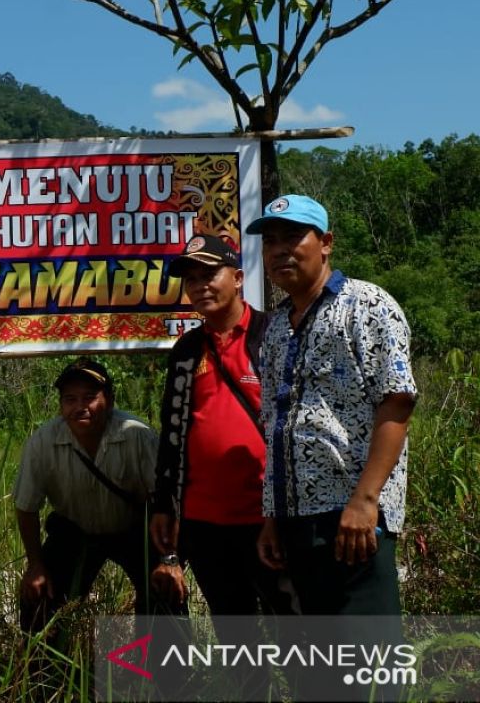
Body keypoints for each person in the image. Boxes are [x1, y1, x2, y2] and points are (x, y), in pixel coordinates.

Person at [247, 194, 416, 618]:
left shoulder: (366, 305)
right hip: (295, 520)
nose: (279, 249)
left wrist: (365, 501)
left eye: (292, 236)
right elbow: (276, 428)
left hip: (352, 516)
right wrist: (272, 516)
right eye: (270, 241)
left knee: (369, 660)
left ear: (326, 243)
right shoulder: (277, 330)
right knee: (324, 659)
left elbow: (396, 403)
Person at [151, 234, 287, 617]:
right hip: (204, 522)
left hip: (268, 517)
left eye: (210, 273)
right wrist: (165, 504)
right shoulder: (187, 350)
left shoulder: (273, 335)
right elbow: (172, 433)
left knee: (295, 625)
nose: (200, 285)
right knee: (233, 627)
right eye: (191, 278)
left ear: (239, 278)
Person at [14, 359, 181, 636]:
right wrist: (35, 565)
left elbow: (169, 500)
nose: (80, 407)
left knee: (166, 592)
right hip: (75, 529)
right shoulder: (43, 441)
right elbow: (26, 506)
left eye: (90, 398)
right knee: (39, 593)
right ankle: (44, 675)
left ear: (110, 400)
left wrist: (170, 559)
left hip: (136, 528)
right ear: (61, 405)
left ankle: (168, 675)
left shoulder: (138, 436)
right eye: (70, 399)